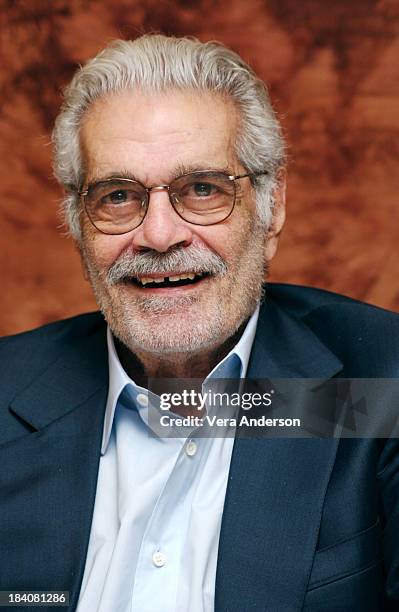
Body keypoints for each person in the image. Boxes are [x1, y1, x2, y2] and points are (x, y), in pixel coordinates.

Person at [0, 34, 398, 612]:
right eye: (117, 196)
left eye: (203, 189)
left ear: (272, 206)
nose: (159, 236)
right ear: (78, 222)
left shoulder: (381, 385)